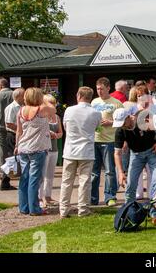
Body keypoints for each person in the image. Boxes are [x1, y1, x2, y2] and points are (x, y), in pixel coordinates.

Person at [113, 108, 156, 225]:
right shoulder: (120, 131)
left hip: (153, 152)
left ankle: (154, 214)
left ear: (129, 117)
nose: (122, 126)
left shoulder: (143, 121)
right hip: (136, 155)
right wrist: (120, 173)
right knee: (130, 184)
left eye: (123, 123)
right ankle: (129, 214)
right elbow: (117, 153)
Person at [60, 87, 102, 218]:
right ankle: (83, 209)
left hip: (70, 150)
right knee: (85, 181)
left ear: (78, 95)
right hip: (86, 150)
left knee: (67, 181)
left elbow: (65, 127)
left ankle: (63, 209)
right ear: (90, 97)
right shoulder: (96, 113)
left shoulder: (69, 110)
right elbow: (97, 128)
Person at [15, 87, 56, 216]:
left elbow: (19, 131)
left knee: (24, 178)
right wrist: (44, 98)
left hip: (23, 147)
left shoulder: (21, 111)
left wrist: (16, 145)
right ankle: (34, 209)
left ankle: (23, 207)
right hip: (38, 148)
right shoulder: (41, 109)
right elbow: (53, 108)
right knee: (34, 179)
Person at [91, 77, 123, 206]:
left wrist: (111, 122)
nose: (99, 91)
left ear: (108, 88)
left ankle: (110, 196)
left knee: (110, 171)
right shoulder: (93, 102)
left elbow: (123, 122)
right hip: (94, 140)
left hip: (110, 140)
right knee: (94, 172)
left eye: (102, 89)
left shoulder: (116, 103)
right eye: (97, 89)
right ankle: (93, 198)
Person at [38, 94, 63, 207]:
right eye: (50, 103)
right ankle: (40, 197)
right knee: (42, 175)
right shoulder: (41, 116)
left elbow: (61, 132)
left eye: (54, 103)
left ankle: (48, 196)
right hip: (45, 148)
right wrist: (49, 134)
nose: (53, 105)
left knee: (50, 175)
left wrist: (56, 135)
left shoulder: (57, 117)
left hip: (54, 148)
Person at [4, 88, 25, 178]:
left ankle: (16, 175)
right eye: (23, 95)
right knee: (13, 158)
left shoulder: (22, 106)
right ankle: (5, 179)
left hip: (20, 135)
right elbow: (8, 124)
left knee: (19, 157)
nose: (25, 97)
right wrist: (21, 130)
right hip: (12, 135)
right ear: (18, 96)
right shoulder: (11, 107)